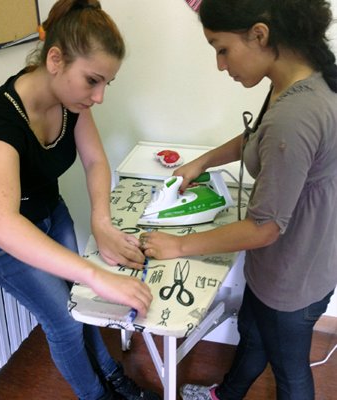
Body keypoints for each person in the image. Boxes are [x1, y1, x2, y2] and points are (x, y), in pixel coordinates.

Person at [138, 0, 337, 398]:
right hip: (291, 261)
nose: (220, 65)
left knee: (290, 371)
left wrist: (178, 245)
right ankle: (225, 394)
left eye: (222, 49)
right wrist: (203, 161)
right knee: (253, 334)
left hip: (293, 275)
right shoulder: (297, 82)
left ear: (259, 35)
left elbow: (264, 228)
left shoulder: (295, 114)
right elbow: (258, 137)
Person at [0, 1, 159, 399]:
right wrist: (95, 274)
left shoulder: (70, 102)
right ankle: (96, 395)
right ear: (55, 60)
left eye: (106, 84)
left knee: (79, 305)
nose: (99, 97)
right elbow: (0, 223)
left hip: (52, 213)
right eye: (92, 81)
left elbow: (96, 161)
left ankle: (111, 375)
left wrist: (101, 222)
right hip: (6, 244)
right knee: (64, 322)